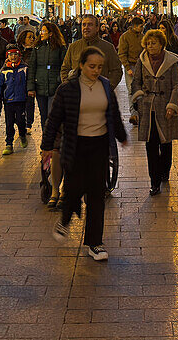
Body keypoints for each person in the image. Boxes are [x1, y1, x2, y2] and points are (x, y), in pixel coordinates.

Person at [42, 46, 128, 262]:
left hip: (99, 146)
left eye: (99, 67)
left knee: (96, 193)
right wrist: (47, 145)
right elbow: (54, 119)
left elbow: (114, 114)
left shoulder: (105, 85)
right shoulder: (67, 89)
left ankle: (94, 243)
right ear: (81, 65)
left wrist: (121, 135)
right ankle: (65, 218)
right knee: (72, 189)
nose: (96, 70)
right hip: (75, 145)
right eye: (91, 66)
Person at [131, 29, 178, 196]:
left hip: (165, 106)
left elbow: (177, 84)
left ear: (161, 44)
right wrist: (138, 98)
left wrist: (172, 105)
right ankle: (154, 182)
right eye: (148, 43)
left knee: (165, 144)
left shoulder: (171, 61)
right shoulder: (142, 60)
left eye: (153, 43)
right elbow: (136, 82)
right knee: (150, 146)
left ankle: (164, 171)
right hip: (147, 107)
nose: (150, 46)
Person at [28, 22, 67, 207]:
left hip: (54, 88)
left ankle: (51, 146)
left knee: (52, 120)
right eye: (41, 31)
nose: (41, 33)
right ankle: (47, 148)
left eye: (44, 31)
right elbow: (32, 68)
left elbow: (64, 67)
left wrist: (60, 81)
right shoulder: (37, 48)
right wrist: (31, 87)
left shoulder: (60, 48)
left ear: (51, 33)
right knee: (44, 119)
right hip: (40, 87)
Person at [61, 15, 123, 87]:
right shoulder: (73, 47)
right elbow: (65, 69)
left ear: (97, 28)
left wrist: (107, 88)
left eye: (90, 25)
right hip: (78, 94)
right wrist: (69, 87)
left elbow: (116, 71)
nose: (86, 27)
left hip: (99, 93)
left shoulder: (108, 48)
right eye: (84, 25)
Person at [0, 45, 29, 155]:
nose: (13, 56)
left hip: (21, 100)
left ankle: (22, 134)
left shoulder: (24, 68)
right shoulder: (4, 70)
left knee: (20, 120)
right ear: (7, 56)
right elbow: (0, 87)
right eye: (10, 54)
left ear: (19, 55)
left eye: (15, 54)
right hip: (8, 101)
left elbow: (28, 84)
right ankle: (9, 144)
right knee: (9, 123)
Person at [117, 16, 145, 83]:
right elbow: (122, 53)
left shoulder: (142, 36)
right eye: (141, 26)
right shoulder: (125, 37)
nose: (142, 28)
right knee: (131, 88)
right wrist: (127, 68)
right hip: (131, 65)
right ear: (135, 26)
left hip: (141, 65)